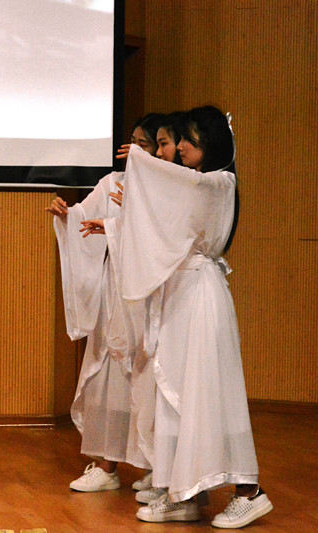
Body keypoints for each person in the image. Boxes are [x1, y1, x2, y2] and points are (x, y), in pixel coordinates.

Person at [81, 106, 273, 528]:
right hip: (179, 293)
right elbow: (164, 224)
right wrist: (118, 221)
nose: (181, 147)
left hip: (200, 297)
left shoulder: (218, 183)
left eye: (189, 139)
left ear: (211, 143)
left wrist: (141, 163)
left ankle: (249, 490)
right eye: (180, 139)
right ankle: (184, 491)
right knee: (173, 392)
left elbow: (175, 196)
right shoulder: (196, 183)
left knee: (208, 391)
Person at [46, 113, 162, 495]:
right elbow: (86, 215)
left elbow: (163, 237)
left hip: (150, 292)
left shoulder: (166, 190)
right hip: (117, 291)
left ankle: (154, 465)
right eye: (133, 143)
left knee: (150, 376)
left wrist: (130, 214)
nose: (134, 151)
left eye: (145, 145)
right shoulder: (113, 182)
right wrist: (68, 216)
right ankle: (106, 463)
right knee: (108, 372)